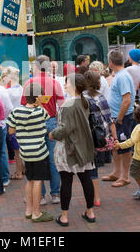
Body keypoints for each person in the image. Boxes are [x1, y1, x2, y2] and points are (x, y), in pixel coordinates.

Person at [49, 73, 95, 226]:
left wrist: (52, 134)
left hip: (69, 147)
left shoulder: (68, 104)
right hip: (84, 145)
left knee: (66, 181)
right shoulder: (84, 101)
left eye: (67, 82)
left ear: (74, 86)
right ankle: (90, 211)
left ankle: (64, 216)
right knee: (86, 179)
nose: (65, 84)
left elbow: (65, 128)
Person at [21, 55, 65, 205]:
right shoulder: (54, 83)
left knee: (37, 158)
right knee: (53, 159)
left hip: (33, 122)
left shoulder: (29, 83)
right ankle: (55, 194)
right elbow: (62, 105)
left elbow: (23, 104)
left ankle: (40, 196)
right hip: (51, 121)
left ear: (36, 67)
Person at [7, 82, 53, 222]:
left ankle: (28, 210)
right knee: (38, 181)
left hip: (25, 153)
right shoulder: (41, 112)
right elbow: (47, 119)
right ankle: (36, 213)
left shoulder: (16, 111)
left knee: (30, 180)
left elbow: (10, 131)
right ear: (38, 97)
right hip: (39, 152)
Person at [83, 71, 118, 207]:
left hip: (86, 137)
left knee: (88, 168)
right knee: (94, 168)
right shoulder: (101, 96)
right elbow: (109, 119)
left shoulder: (81, 98)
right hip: (100, 137)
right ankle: (96, 197)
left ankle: (92, 196)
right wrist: (114, 138)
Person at [102, 50, 135, 188]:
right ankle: (116, 172)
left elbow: (126, 100)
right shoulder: (120, 75)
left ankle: (125, 176)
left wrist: (120, 118)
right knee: (115, 145)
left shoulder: (122, 77)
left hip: (122, 118)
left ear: (110, 62)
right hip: (116, 117)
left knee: (124, 146)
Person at [113, 106, 140, 202]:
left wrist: (120, 145)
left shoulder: (138, 127)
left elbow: (132, 141)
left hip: (139, 156)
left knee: (135, 173)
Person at [3, 66, 24, 180]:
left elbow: (6, 108)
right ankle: (22, 169)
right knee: (20, 148)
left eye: (4, 77)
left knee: (17, 151)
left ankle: (19, 172)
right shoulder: (21, 88)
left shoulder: (7, 92)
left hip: (11, 122)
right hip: (22, 120)